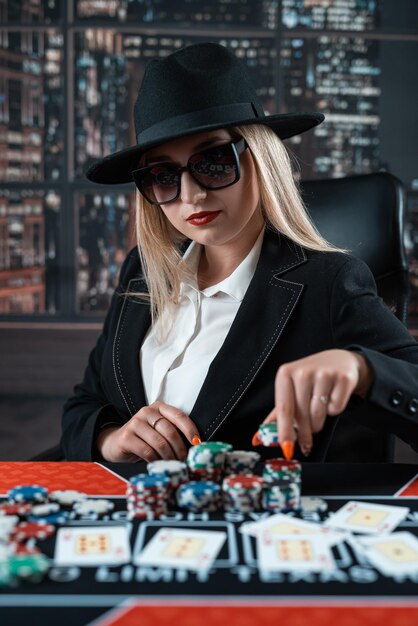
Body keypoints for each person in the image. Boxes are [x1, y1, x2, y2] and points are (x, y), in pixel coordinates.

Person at [61, 42, 418, 464]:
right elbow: (84, 402)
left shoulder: (330, 283)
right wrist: (111, 439)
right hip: (130, 522)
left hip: (256, 525)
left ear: (261, 160)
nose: (191, 194)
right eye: (163, 175)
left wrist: (362, 371)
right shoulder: (141, 271)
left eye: (213, 162)